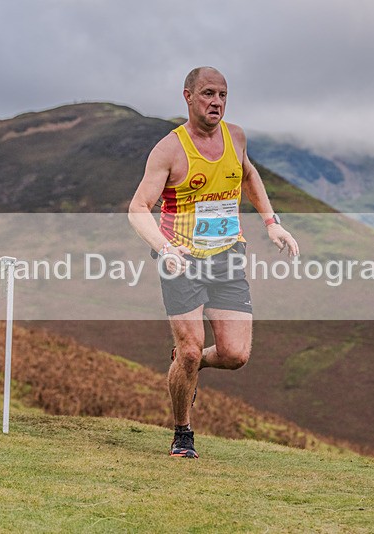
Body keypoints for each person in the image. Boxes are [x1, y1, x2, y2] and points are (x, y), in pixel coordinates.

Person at [128, 67, 299, 458]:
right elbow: (138, 208)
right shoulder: (169, 150)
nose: (216, 102)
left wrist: (272, 223)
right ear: (187, 96)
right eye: (207, 93)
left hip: (226, 257)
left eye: (222, 94)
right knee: (190, 348)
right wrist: (164, 248)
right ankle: (182, 432)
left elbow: (249, 175)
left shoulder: (235, 136)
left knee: (235, 355)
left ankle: (186, 366)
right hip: (181, 260)